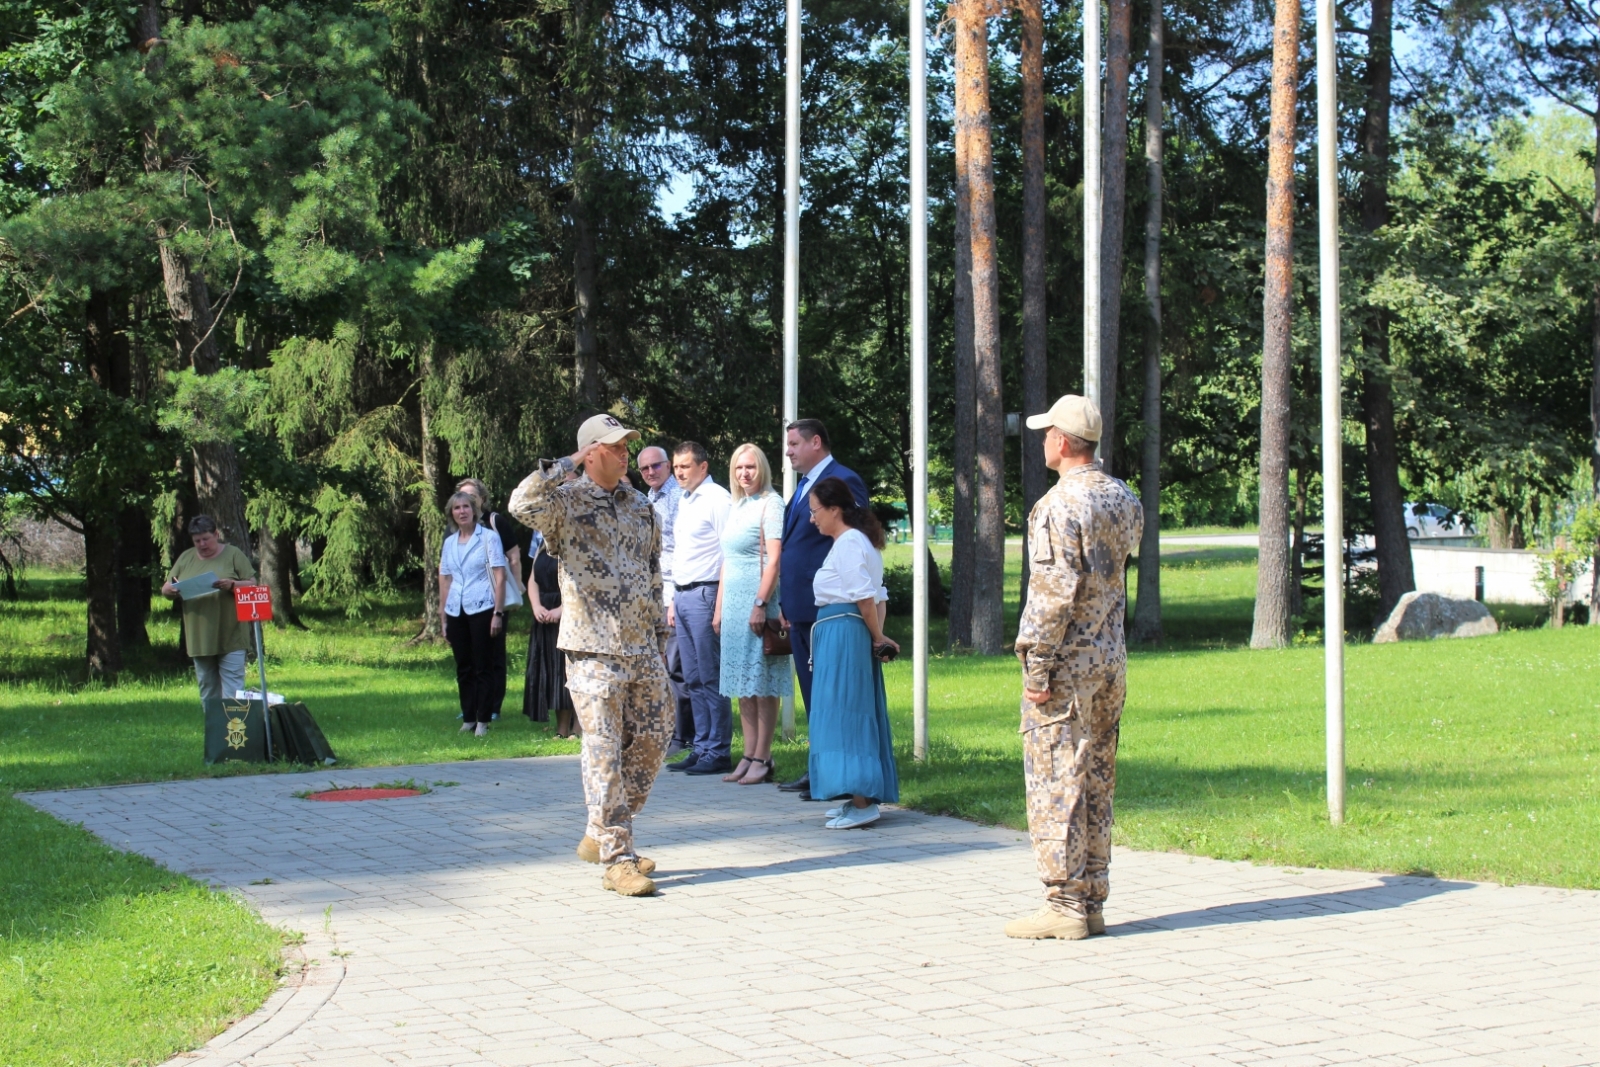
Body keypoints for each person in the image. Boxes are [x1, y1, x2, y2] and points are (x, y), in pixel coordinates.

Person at [508, 413, 673, 897]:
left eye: (628, 447)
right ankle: (618, 857)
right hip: (591, 647)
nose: (626, 455)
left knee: (656, 735)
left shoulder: (641, 506)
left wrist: (659, 637)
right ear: (591, 452)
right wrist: (568, 464)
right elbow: (522, 501)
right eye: (616, 447)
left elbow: (653, 573)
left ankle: (602, 829)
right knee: (602, 748)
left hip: (641, 644)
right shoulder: (564, 503)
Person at [1005, 394, 1142, 941]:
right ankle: (1092, 897)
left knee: (1058, 777)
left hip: (1067, 663)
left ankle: (1064, 904)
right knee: (1098, 776)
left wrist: (1036, 668)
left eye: (1046, 434)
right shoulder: (1122, 497)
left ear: (1063, 442)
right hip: (1109, 658)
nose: (1042, 441)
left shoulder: (1059, 505)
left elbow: (1053, 594)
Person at [776, 418, 870, 797]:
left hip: (828, 608)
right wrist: (785, 599)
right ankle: (820, 767)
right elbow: (795, 546)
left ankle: (836, 773)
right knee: (814, 693)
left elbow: (853, 538)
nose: (788, 451)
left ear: (817, 442)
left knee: (831, 695)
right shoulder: (802, 487)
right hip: (800, 607)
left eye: (795, 444)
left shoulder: (843, 479)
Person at [804, 476, 898, 828]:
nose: (813, 518)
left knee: (843, 712)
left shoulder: (848, 543)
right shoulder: (860, 542)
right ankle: (859, 796)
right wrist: (878, 635)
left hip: (843, 634)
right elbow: (880, 595)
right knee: (852, 708)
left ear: (834, 509)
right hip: (844, 632)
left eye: (815, 511)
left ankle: (862, 803)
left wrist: (877, 636)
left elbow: (865, 596)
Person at [712, 443, 792, 785]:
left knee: (762, 682)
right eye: (739, 468)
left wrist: (760, 604)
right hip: (733, 606)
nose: (745, 474)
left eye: (751, 467)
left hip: (759, 600)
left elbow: (775, 559)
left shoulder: (771, 504)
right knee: (742, 685)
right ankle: (748, 754)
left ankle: (763, 755)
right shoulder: (738, 505)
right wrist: (718, 609)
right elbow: (727, 561)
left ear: (762, 469)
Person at [667, 440, 734, 777]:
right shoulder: (686, 499)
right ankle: (702, 744)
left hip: (706, 594)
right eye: (676, 467)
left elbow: (729, 555)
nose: (679, 472)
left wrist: (720, 604)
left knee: (710, 675)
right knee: (691, 677)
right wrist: (673, 599)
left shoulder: (717, 499)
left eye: (685, 466)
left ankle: (719, 749)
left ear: (703, 467)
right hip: (682, 595)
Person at [161, 515, 257, 709]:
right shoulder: (186, 557)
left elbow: (253, 585)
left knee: (233, 689)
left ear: (216, 534)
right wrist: (170, 590)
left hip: (231, 633)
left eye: (206, 539)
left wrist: (232, 585)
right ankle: (214, 732)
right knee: (207, 687)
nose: (202, 544)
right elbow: (166, 588)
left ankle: (233, 733)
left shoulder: (233, 554)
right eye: (197, 541)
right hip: (200, 636)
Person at [637, 444, 695, 759]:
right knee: (662, 667)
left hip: (675, 591)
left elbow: (681, 549)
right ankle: (670, 731)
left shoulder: (678, 497)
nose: (650, 473)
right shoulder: (649, 498)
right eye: (644, 469)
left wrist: (671, 599)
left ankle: (684, 736)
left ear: (668, 466)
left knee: (677, 667)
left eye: (655, 466)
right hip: (654, 594)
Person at [439, 490, 508, 736]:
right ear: (452, 513)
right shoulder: (449, 543)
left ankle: (483, 719)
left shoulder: (488, 538)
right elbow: (445, 579)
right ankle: (468, 717)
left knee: (483, 666)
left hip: (483, 606)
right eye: (457, 508)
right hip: (456, 608)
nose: (462, 512)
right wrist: (443, 617)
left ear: (474, 511)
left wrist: (497, 613)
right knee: (463, 666)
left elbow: (500, 577)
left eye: (466, 507)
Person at [457, 478, 523, 721]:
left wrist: (517, 588)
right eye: (462, 498)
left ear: (482, 499)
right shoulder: (457, 526)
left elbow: (514, 557)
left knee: (493, 653)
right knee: (471, 654)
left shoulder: (495, 521)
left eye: (472, 497)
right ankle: (471, 707)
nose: (467, 503)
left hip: (494, 597)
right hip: (467, 599)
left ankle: (493, 707)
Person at [522, 530, 578, 736]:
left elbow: (581, 584)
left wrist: (562, 610)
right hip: (544, 615)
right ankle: (561, 729)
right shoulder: (541, 546)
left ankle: (578, 727)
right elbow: (533, 579)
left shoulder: (575, 544)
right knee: (553, 673)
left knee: (569, 671)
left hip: (570, 615)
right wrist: (536, 606)